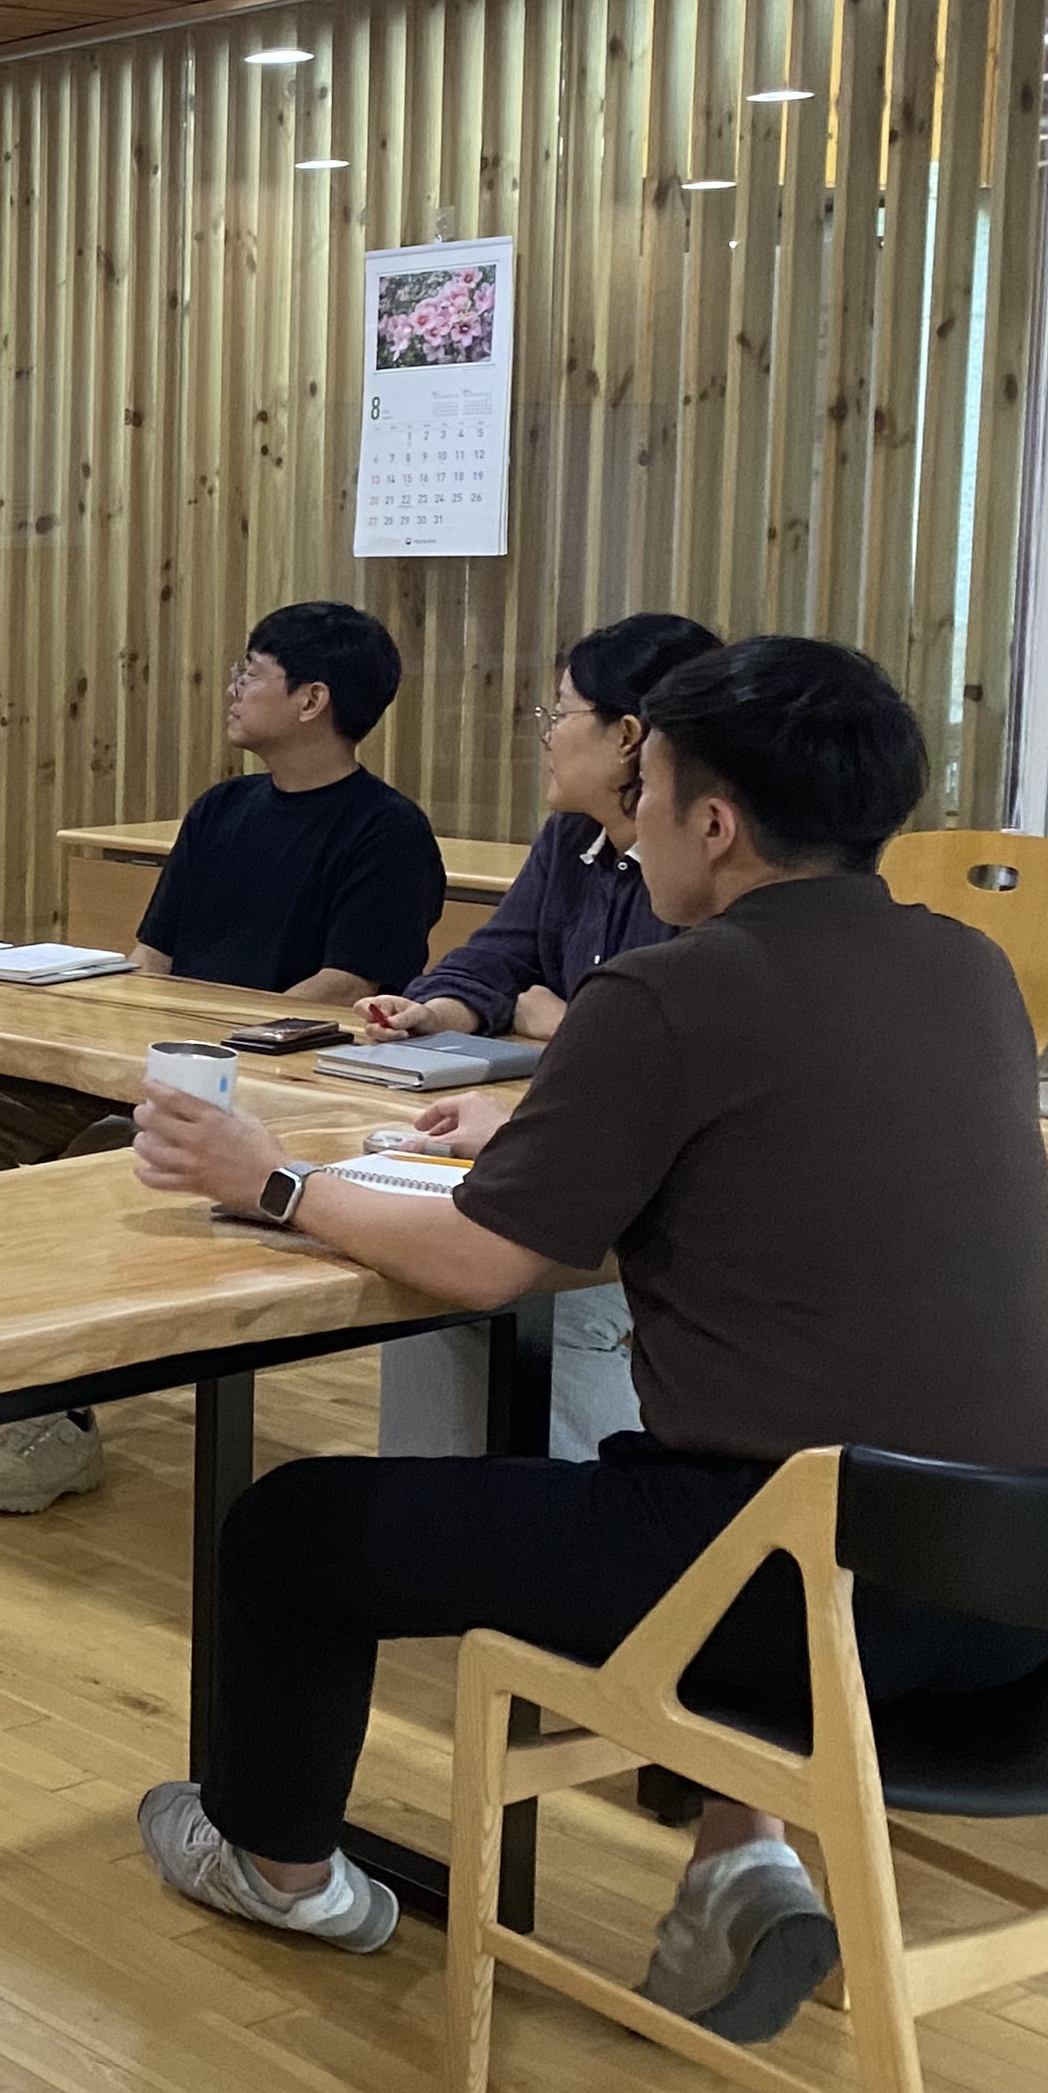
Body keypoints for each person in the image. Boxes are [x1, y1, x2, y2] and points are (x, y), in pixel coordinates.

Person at [125, 638, 1048, 2041]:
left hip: (800, 1588)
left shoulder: (676, 988)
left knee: (289, 1530)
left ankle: (281, 1867)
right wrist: (567, 1135)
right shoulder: (968, 968)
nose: (626, 820)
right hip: (1012, 1580)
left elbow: (485, 1259)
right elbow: (777, 1162)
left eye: (650, 788)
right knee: (709, 1462)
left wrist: (268, 1178)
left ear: (714, 821)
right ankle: (737, 1866)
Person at [0, 599, 445, 1515]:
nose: (234, 689)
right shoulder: (220, 809)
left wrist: (208, 1047)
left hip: (273, 1100)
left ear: (314, 698)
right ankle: (15, 1352)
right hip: (163, 1069)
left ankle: (59, 1412)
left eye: (252, 672)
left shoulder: (386, 832)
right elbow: (151, 963)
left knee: (111, 1150)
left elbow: (346, 991)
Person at [362, 611, 721, 1462]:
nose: (547, 736)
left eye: (559, 712)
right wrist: (437, 1012)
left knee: (481, 1266)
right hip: (551, 1133)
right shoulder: (573, 840)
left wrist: (567, 1022)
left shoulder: (704, 876)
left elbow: (654, 1040)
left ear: (630, 736)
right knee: (428, 1265)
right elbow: (500, 957)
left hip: (634, 1199)